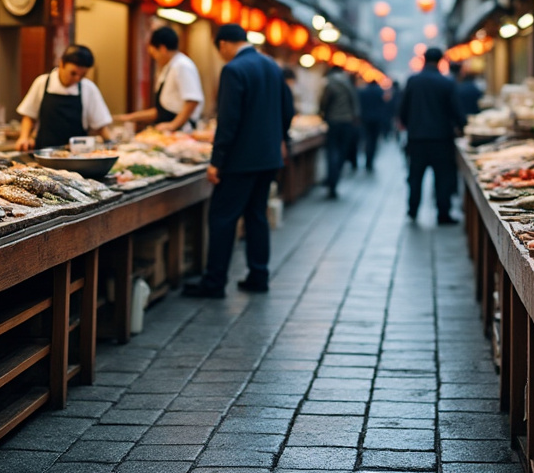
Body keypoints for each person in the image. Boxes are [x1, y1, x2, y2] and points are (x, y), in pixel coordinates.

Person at [184, 24, 295, 298]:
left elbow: (228, 121)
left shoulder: (233, 69)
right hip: (268, 159)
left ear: (223, 44)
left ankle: (214, 282)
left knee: (222, 217)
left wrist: (216, 161)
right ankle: (259, 275)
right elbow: (288, 109)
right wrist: (280, 139)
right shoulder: (271, 66)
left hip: (240, 161)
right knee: (257, 215)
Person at [398, 47, 466, 224]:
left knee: (415, 176)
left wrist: (407, 124)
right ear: (441, 61)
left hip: (417, 138)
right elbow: (456, 110)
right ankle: (443, 213)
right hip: (441, 138)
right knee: (442, 177)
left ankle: (412, 209)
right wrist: (463, 127)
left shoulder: (413, 81)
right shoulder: (447, 82)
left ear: (424, 59)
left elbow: (403, 108)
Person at [15, 45, 112, 151]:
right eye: (73, 73)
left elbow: (100, 125)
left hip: (78, 154)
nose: (77, 78)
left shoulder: (88, 88)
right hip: (45, 152)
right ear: (62, 64)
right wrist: (23, 137)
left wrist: (110, 143)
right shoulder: (42, 83)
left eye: (82, 75)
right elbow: (29, 116)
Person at [119, 26, 204, 132]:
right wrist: (131, 117)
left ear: (163, 49)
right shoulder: (171, 66)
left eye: (154, 53)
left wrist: (173, 125)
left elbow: (192, 100)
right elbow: (164, 110)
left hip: (181, 131)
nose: (154, 58)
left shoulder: (182, 65)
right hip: (168, 130)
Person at [318, 65, 360, 198]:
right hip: (347, 122)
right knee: (342, 152)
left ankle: (332, 180)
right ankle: (335, 178)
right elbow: (355, 102)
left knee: (331, 152)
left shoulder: (330, 83)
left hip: (333, 121)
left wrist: (322, 114)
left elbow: (324, 102)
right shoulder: (348, 83)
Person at [357, 78, 388, 172]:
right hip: (377, 119)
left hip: (365, 119)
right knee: (374, 141)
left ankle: (367, 159)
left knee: (367, 139)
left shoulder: (363, 91)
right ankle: (370, 161)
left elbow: (360, 105)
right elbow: (384, 104)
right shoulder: (380, 92)